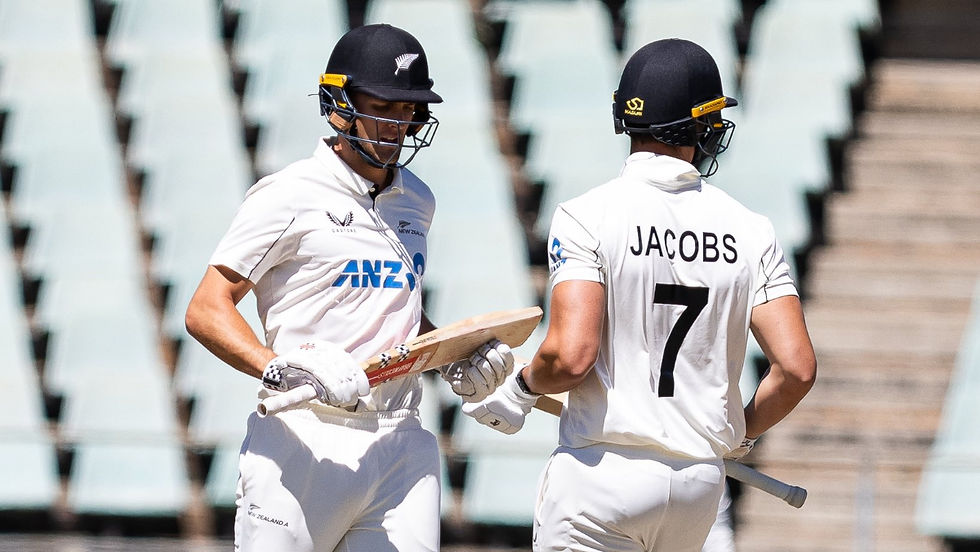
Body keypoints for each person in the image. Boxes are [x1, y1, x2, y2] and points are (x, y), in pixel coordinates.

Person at [463, 38, 817, 551]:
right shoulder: (751, 229)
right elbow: (797, 368)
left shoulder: (586, 215)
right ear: (699, 126)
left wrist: (519, 390)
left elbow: (570, 356)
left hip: (601, 478)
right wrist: (741, 432)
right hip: (698, 488)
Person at [185, 24, 514, 552]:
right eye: (383, 105)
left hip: (401, 438)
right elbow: (205, 309)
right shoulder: (287, 194)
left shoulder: (417, 201)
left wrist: (453, 355)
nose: (398, 125)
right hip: (303, 435)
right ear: (338, 102)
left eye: (409, 110)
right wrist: (279, 367)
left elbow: (398, 313)